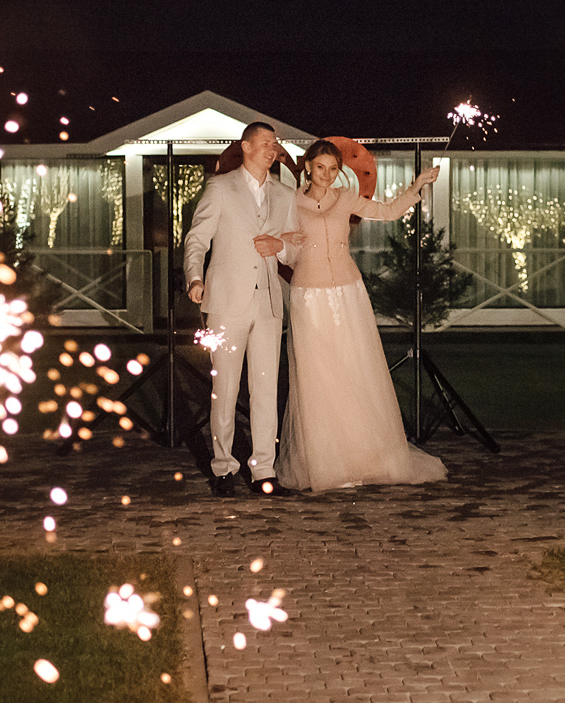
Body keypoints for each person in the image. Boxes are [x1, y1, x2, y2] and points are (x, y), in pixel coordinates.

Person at [276, 139, 447, 491]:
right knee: (316, 376)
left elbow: (388, 211)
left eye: (333, 169)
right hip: (308, 296)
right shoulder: (288, 202)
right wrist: (283, 243)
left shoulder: (345, 199)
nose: (326, 175)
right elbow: (280, 248)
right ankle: (326, 463)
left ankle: (365, 457)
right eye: (320, 167)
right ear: (308, 166)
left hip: (348, 293)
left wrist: (417, 185)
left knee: (354, 369)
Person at [183, 121, 302, 497]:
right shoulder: (220, 187)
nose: (273, 150)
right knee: (226, 386)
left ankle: (264, 470)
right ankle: (223, 468)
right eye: (266, 143)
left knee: (267, 388)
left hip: (268, 303)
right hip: (225, 302)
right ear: (246, 146)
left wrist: (279, 248)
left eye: (276, 145)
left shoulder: (285, 195)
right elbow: (197, 238)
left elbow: (295, 247)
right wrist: (194, 278)